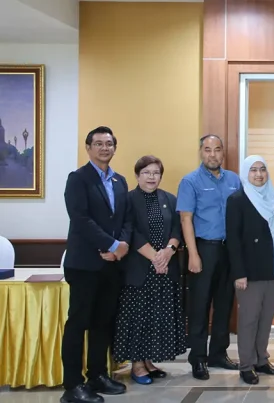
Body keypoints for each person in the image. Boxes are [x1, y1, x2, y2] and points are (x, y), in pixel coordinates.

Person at [61, 126, 131, 403]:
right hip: (84, 265)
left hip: (112, 266)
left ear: (115, 147)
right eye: (99, 143)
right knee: (79, 323)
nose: (104, 148)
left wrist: (121, 247)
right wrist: (111, 245)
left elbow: (125, 220)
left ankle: (98, 375)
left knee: (103, 322)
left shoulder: (120, 181)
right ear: (88, 148)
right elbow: (80, 219)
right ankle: (72, 386)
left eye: (109, 143)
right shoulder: (78, 179)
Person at [113, 155, 186, 385]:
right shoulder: (128, 199)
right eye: (146, 172)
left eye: (156, 173)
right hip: (139, 269)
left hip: (164, 269)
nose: (151, 177)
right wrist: (155, 257)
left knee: (156, 317)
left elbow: (177, 229)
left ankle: (148, 361)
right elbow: (130, 232)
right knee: (138, 317)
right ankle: (136, 364)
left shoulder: (169, 199)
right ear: (137, 175)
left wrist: (168, 252)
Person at [177, 134, 241, 380]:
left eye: (217, 149)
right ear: (201, 152)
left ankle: (218, 354)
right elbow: (186, 219)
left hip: (229, 250)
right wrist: (193, 254)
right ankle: (198, 358)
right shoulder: (190, 181)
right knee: (200, 305)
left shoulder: (234, 180)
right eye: (207, 149)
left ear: (223, 152)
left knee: (225, 304)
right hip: (204, 248)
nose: (212, 154)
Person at [226, 155, 274, 385]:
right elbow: (233, 240)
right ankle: (246, 365)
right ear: (245, 173)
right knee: (249, 320)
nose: (259, 174)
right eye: (253, 170)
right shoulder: (237, 200)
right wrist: (239, 273)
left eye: (262, 169)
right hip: (249, 273)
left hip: (273, 268)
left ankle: (261, 359)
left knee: (266, 318)